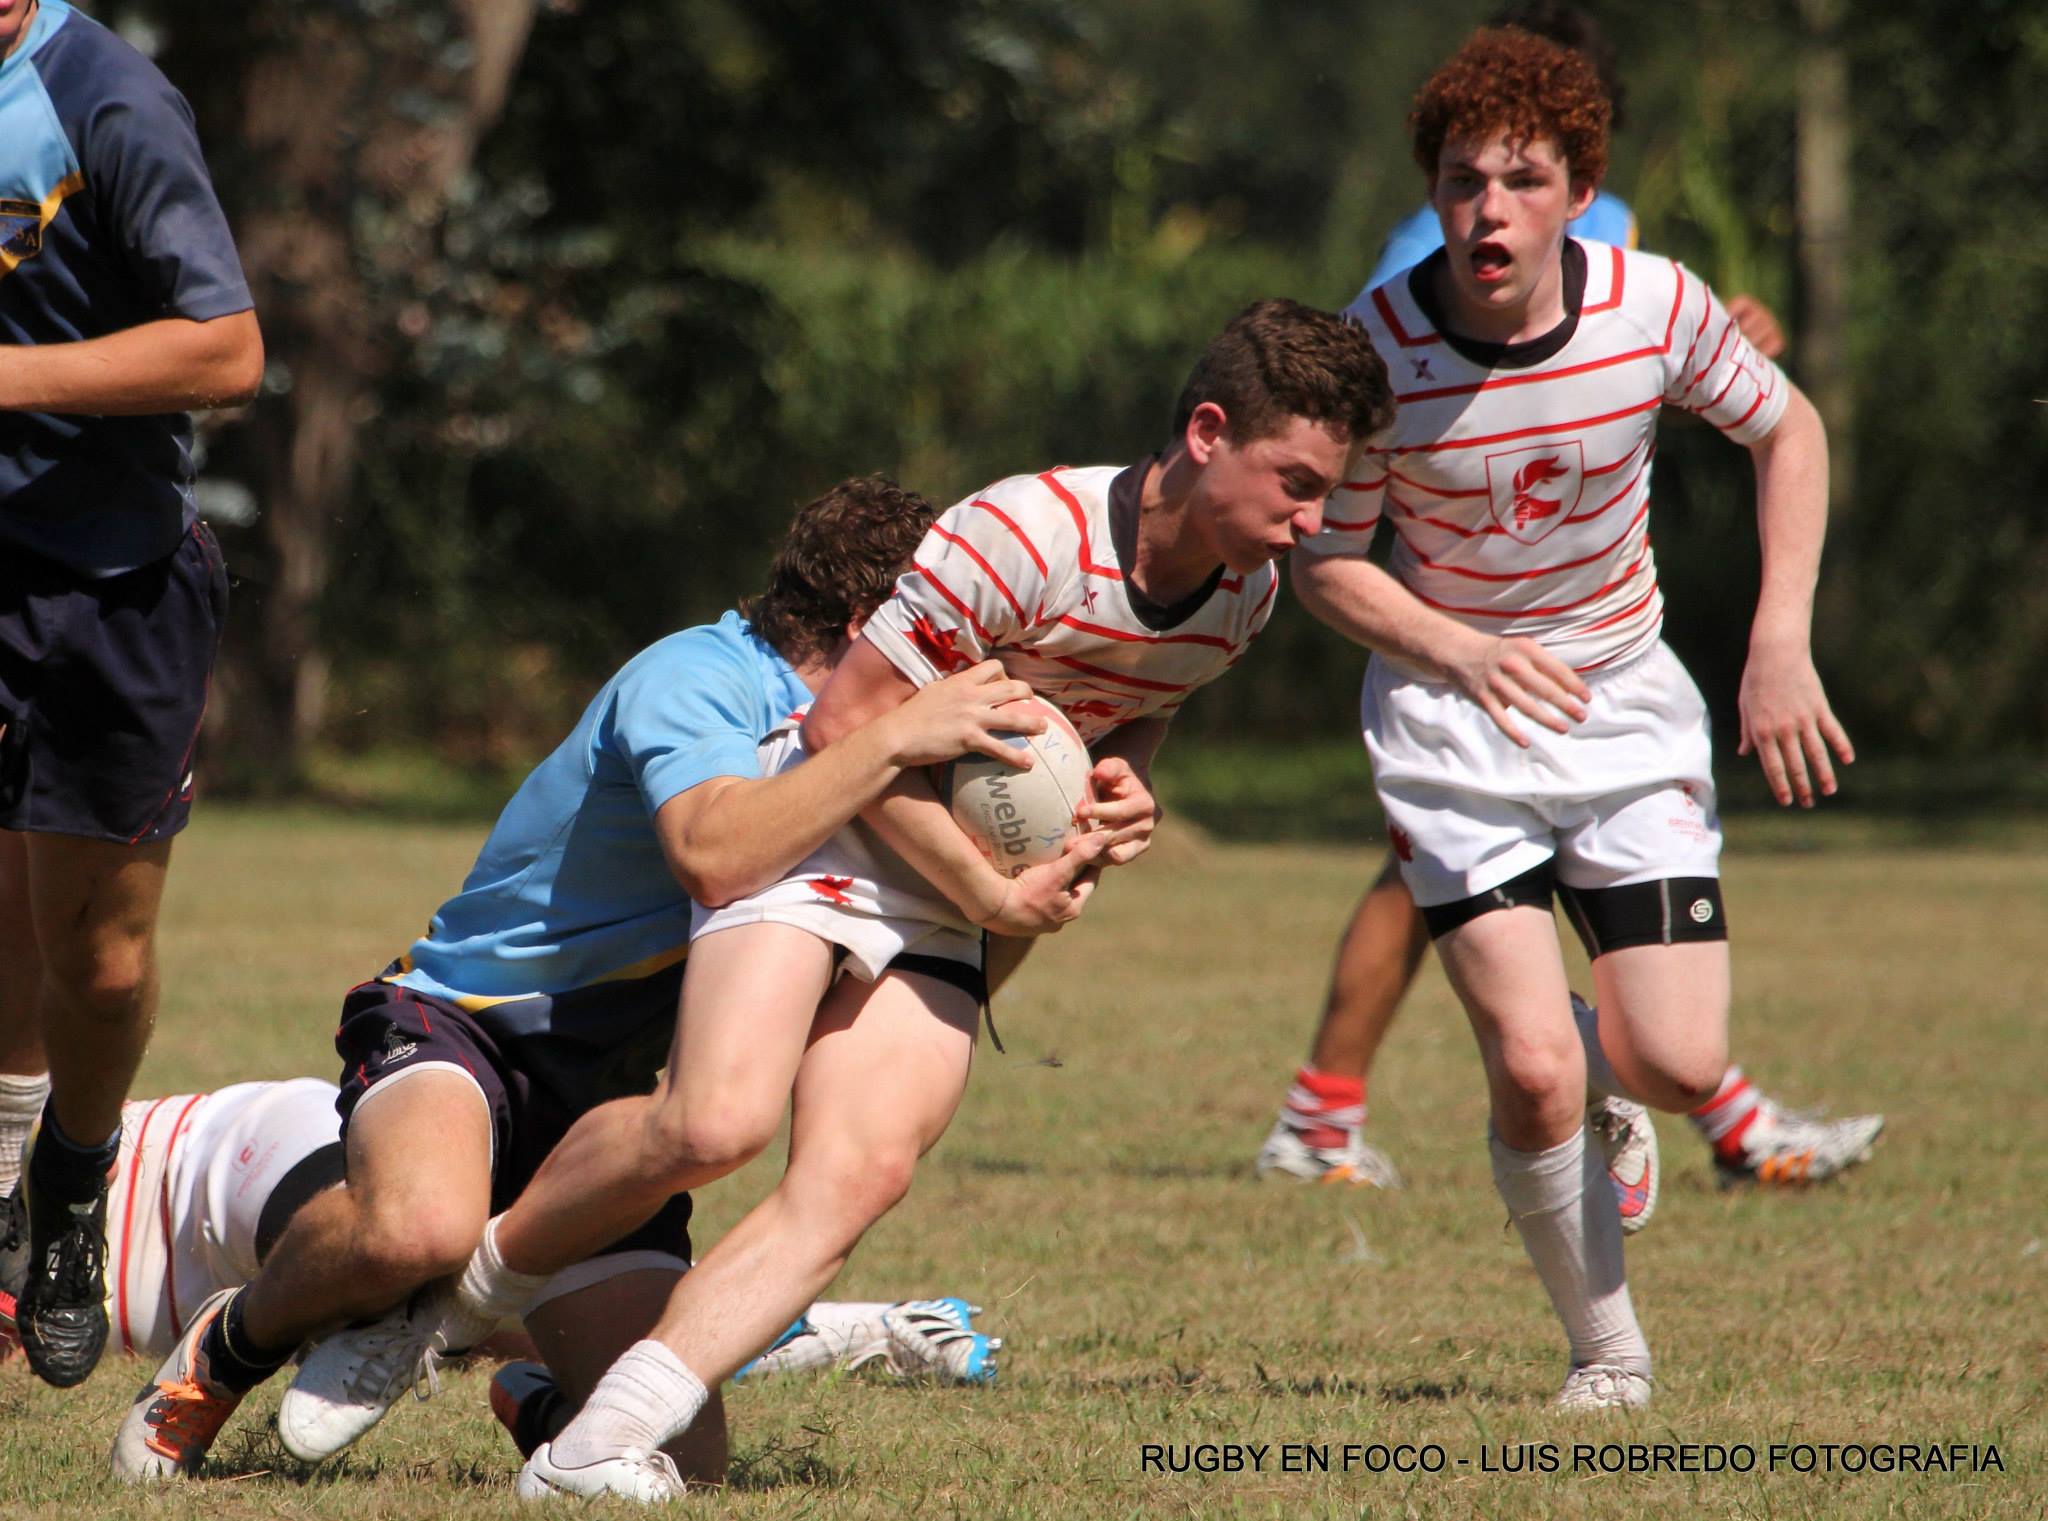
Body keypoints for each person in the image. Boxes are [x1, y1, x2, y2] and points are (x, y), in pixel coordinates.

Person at [397, 298, 1395, 1501]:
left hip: (951, 894)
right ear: (1205, 434)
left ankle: (591, 1449)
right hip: (842, 828)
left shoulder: (1241, 596)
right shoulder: (1024, 531)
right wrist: (989, 891)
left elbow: (1130, 707)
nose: (1311, 523)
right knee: (713, 1124)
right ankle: (463, 1300)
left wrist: (1118, 794)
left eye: (1327, 494)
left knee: (859, 1173)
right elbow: (843, 722)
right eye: (1295, 484)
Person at [105, 476, 1039, 1480]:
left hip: (608, 1111)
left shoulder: (879, 763)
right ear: (868, 624)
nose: (961, 663)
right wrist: (892, 738)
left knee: (690, 1462)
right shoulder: (698, 677)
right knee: (417, 1228)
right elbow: (715, 854)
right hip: (471, 1025)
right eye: (942, 633)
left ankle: (536, 1395)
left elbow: (935, 969)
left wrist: (1032, 882)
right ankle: (229, 1345)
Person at [1289, 27, 1856, 1410]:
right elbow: (1327, 561)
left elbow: (1786, 430)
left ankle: (1620, 1087)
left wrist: (1778, 639)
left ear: (1579, 193)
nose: (1488, 210)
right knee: (1535, 1067)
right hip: (1450, 730)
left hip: (1624, 715)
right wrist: (1458, 649)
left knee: (1676, 1059)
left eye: (1523, 181)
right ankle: (1608, 1354)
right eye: (1462, 181)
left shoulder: (1654, 307)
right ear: (1432, 192)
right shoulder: (1375, 352)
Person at [0, 1078, 998, 1483]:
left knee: (409, 1256)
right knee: (676, 1444)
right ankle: (860, 1331)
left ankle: (243, 1343)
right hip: (173, 1289)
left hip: (196, 1175)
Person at [0, 0, 265, 1389]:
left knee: (93, 961)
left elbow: (226, 351)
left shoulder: (104, 99)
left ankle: (71, 1175)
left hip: (110, 587)